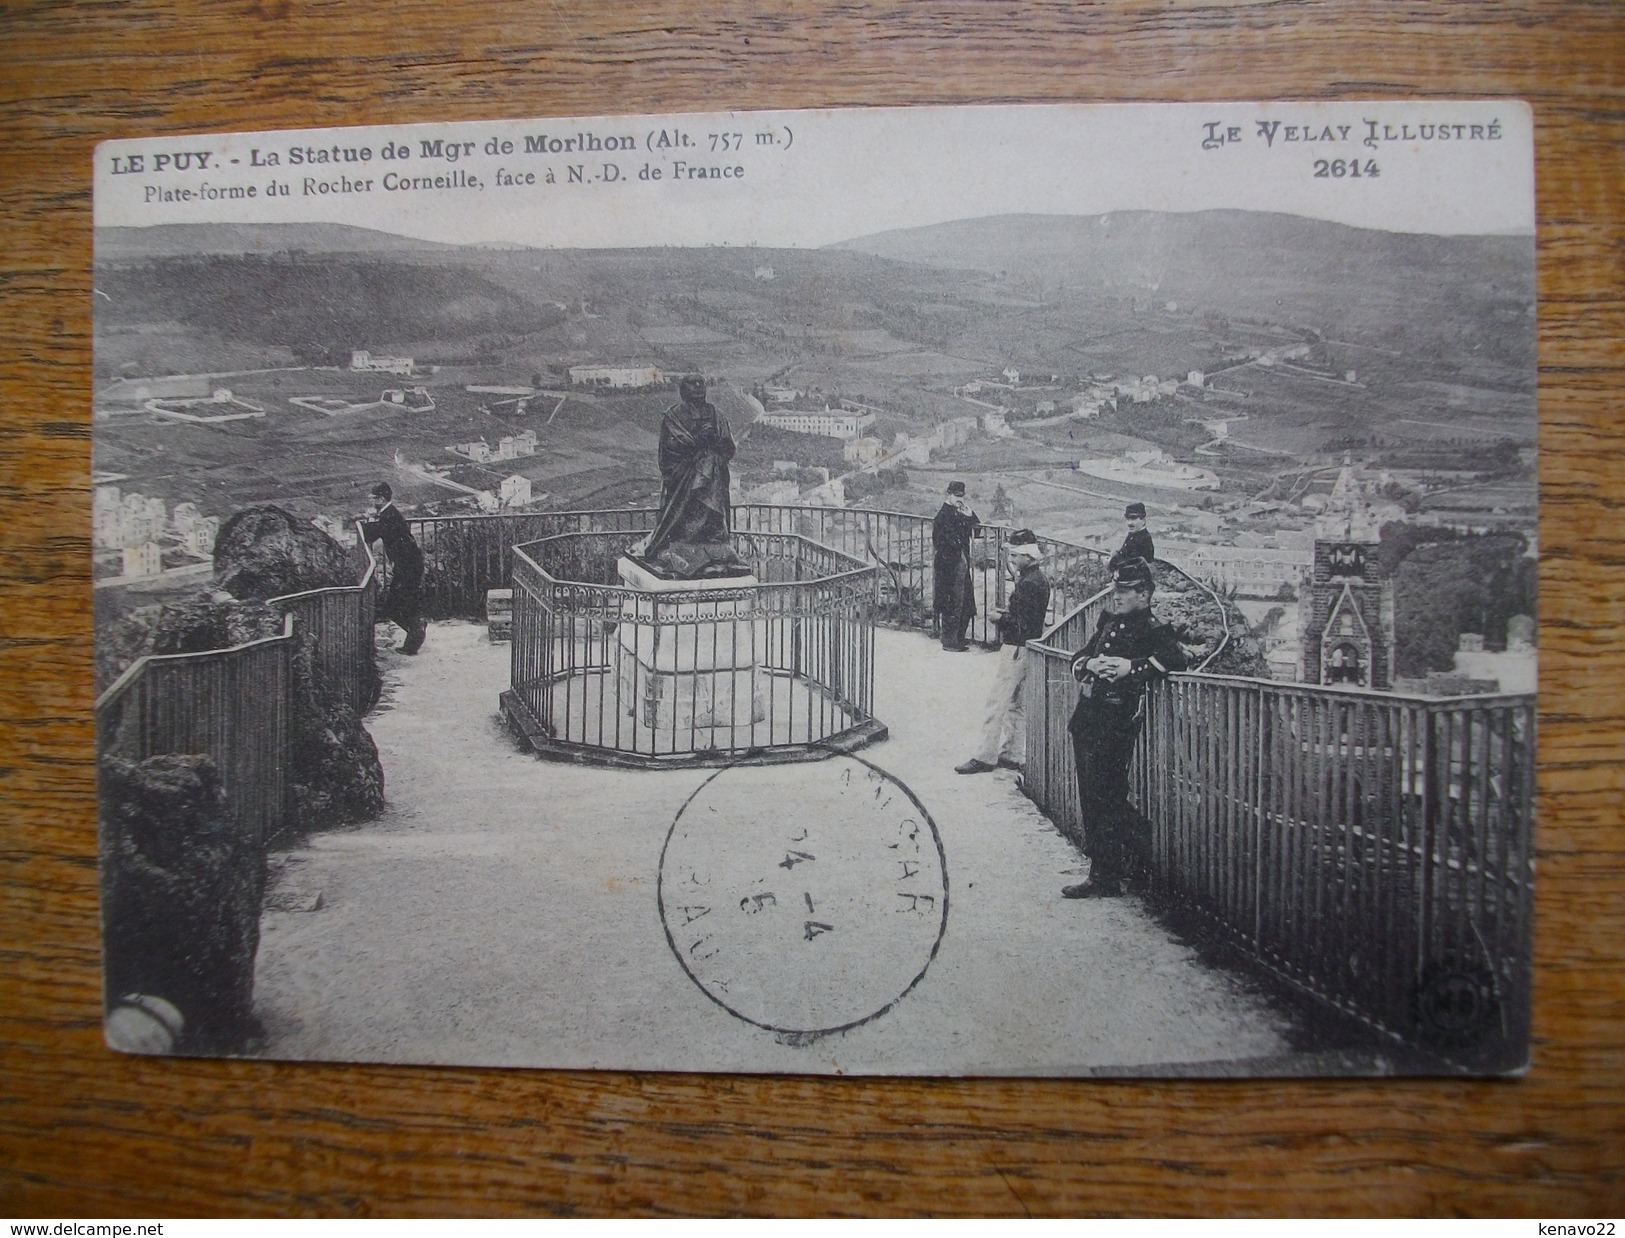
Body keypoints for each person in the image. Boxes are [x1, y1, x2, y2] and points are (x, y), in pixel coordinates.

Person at [1062, 556, 1187, 898]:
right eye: (1115, 589)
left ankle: (1138, 861)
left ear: (1144, 595)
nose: (1116, 597)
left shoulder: (1151, 628)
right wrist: (1092, 662)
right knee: (1093, 798)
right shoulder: (1107, 620)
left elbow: (1175, 658)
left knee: (1109, 797)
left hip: (1116, 722)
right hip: (1087, 719)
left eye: (1125, 591)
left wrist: (1129, 669)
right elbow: (1079, 657)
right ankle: (1104, 873)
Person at [955, 530, 1050, 775]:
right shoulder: (1039, 579)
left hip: (1016, 648)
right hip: (1029, 648)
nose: (1013, 559)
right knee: (1018, 704)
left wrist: (1000, 618)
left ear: (1028, 557)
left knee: (996, 704)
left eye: (1016, 555)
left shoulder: (1028, 584)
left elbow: (1021, 624)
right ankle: (1012, 753)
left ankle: (985, 756)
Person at [640, 374, 747, 579]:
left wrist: (713, 440)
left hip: (711, 475)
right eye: (693, 384)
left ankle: (712, 542)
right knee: (703, 477)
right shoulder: (673, 417)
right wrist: (697, 442)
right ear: (683, 389)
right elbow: (669, 452)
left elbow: (728, 447)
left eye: (701, 383)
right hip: (683, 476)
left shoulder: (716, 414)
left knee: (711, 466)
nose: (698, 387)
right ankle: (685, 543)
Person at [361, 482, 427, 655]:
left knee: (396, 604)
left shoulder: (388, 515)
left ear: (381, 499)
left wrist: (363, 524)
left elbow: (373, 533)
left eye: (374, 499)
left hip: (408, 565)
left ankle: (415, 632)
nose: (373, 502)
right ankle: (416, 630)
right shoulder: (389, 513)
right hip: (408, 564)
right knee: (402, 602)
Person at [932, 481, 980, 651]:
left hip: (959, 563)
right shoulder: (943, 516)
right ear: (949, 495)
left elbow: (977, 529)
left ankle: (958, 637)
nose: (959, 499)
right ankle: (950, 641)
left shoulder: (958, 513)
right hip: (948, 565)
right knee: (951, 602)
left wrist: (970, 515)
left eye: (961, 496)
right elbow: (942, 542)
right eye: (956, 496)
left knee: (964, 602)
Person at [1108, 502, 1155, 573]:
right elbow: (1125, 554)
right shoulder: (1133, 534)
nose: (1129, 523)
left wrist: (1110, 562)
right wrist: (1116, 553)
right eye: (1128, 519)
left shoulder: (1143, 538)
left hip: (1136, 582)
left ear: (1143, 520)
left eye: (1133, 519)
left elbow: (1130, 563)